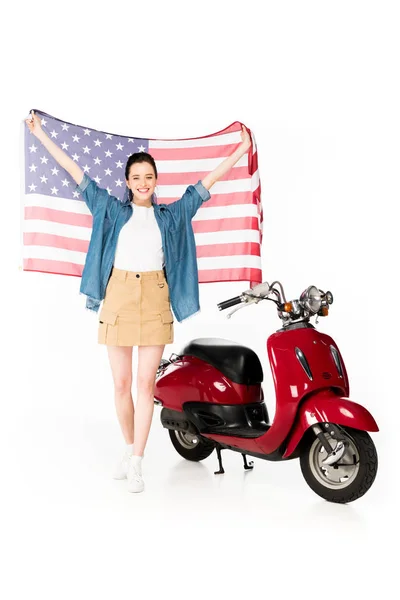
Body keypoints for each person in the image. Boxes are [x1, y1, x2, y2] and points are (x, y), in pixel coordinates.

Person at [25, 110, 252, 493]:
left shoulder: (172, 215)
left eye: (149, 177)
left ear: (156, 181)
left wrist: (241, 148)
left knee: (145, 385)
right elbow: (75, 172)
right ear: (127, 182)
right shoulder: (111, 210)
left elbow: (204, 185)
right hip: (118, 297)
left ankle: (137, 462)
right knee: (121, 384)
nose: (143, 183)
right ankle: (129, 448)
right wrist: (41, 134)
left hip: (156, 299)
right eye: (136, 178)